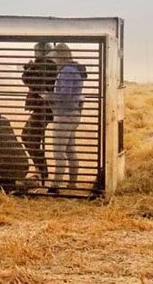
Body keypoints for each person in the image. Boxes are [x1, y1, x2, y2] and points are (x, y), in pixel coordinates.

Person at [45, 43, 87, 194]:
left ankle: (55, 186)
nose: (53, 60)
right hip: (73, 114)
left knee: (58, 151)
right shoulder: (74, 69)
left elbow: (65, 95)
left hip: (64, 115)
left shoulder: (67, 71)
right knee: (70, 150)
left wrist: (48, 96)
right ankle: (72, 183)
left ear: (60, 56)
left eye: (55, 57)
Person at [20, 42, 57, 186]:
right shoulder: (47, 64)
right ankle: (42, 170)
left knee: (30, 138)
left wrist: (28, 68)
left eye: (36, 51)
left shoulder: (44, 64)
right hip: (42, 108)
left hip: (42, 109)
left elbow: (27, 79)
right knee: (30, 138)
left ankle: (42, 171)